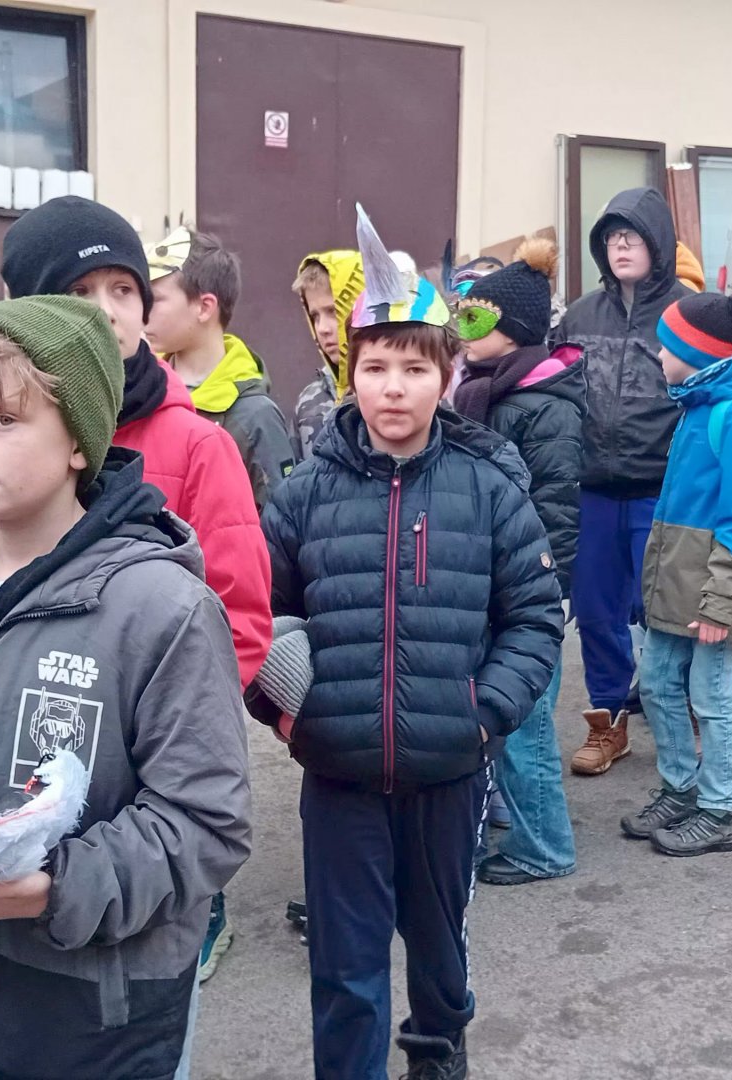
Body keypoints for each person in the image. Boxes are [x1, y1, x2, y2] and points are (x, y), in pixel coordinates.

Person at [0, 295, 252, 1079]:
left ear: (77, 441)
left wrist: (52, 886)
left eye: (3, 420)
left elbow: (207, 822)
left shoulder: (161, 607)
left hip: (84, 1018)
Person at [251, 208, 562, 1080]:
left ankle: (437, 1052)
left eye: (416, 368)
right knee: (345, 969)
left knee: (438, 950)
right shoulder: (305, 494)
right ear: (350, 373)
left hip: (449, 772)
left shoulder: (489, 486)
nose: (394, 388)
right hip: (339, 776)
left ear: (448, 374)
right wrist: (285, 707)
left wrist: (482, 713)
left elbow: (534, 616)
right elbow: (255, 615)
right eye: (376, 367)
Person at [2, 197, 271, 990]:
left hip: (155, 750)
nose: (107, 312)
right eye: (78, 293)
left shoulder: (198, 445)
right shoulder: (0, 442)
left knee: (151, 926)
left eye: (123, 290)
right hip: (38, 742)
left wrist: (187, 727)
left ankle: (197, 926)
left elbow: (240, 612)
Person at [622, 287, 732, 857]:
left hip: (715, 588)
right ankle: (681, 788)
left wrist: (720, 602)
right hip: (680, 580)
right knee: (659, 685)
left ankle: (719, 810)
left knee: (711, 696)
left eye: (666, 347)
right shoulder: (699, 403)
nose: (659, 355)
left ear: (694, 353)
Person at [452, 236, 584, 886]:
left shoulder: (543, 406)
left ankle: (545, 847)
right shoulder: (485, 390)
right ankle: (502, 830)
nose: (462, 330)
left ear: (515, 329)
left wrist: (543, 591)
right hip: (488, 584)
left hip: (525, 592)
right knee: (499, 718)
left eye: (476, 318)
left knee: (524, 725)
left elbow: (556, 509)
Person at [556, 188, 694, 777]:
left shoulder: (689, 312)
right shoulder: (580, 315)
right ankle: (609, 720)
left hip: (662, 488)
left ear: (658, 243)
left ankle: (678, 709)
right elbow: (556, 392)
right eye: (611, 237)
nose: (620, 247)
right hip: (592, 489)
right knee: (595, 611)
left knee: (666, 609)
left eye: (632, 236)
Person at [147, 225, 298, 505]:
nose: (141, 311)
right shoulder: (141, 396)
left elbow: (279, 522)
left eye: (154, 300)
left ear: (205, 307)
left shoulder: (255, 417)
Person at [292, 249, 365, 457]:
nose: (322, 328)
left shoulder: (396, 391)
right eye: (314, 316)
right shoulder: (309, 401)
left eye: (333, 311)